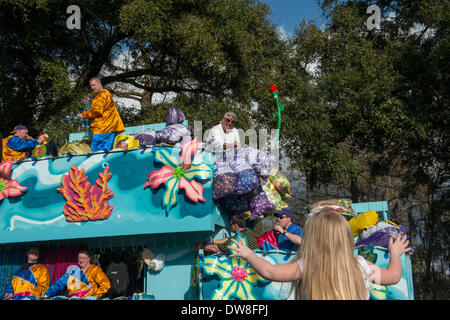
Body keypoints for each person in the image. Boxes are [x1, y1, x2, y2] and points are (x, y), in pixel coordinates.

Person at [229, 207, 411, 300]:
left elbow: (269, 271)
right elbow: (394, 276)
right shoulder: (361, 266)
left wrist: (248, 254)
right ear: (345, 238)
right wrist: (395, 253)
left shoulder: (308, 266)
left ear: (312, 240)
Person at [77, 77, 125, 152]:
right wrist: (90, 101)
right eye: (91, 86)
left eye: (94, 85)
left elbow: (97, 111)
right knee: (102, 153)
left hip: (105, 129)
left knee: (99, 153)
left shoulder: (103, 95)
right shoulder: (103, 95)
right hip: (105, 129)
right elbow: (98, 107)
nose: (92, 88)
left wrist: (84, 115)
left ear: (99, 84)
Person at [43, 249, 111, 299]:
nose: (81, 260)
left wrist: (95, 296)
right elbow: (59, 284)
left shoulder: (95, 269)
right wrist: (47, 294)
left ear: (89, 259)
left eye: (84, 257)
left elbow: (106, 285)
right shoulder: (73, 270)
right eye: (79, 257)